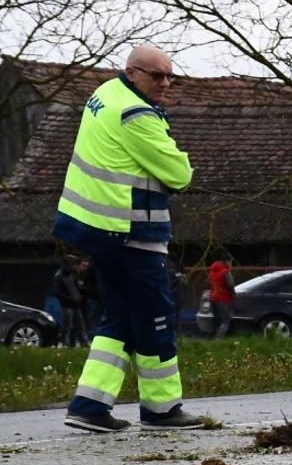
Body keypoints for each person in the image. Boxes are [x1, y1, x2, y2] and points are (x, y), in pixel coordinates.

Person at [56, 43, 206, 432]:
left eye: (170, 75)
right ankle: (162, 409)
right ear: (133, 71)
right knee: (156, 319)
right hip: (135, 232)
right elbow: (177, 173)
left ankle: (89, 405)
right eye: (157, 75)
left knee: (117, 317)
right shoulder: (136, 113)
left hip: (103, 231)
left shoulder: (105, 94)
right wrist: (181, 162)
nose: (166, 83)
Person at [51, 256, 89, 347]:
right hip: (67, 305)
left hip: (75, 304)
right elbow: (57, 293)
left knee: (80, 325)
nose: (75, 267)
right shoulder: (59, 276)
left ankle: (83, 343)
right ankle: (63, 343)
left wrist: (79, 296)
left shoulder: (72, 274)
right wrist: (70, 299)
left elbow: (75, 288)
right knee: (67, 325)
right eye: (74, 265)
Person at [207, 252, 235, 338]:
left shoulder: (212, 271)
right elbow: (230, 285)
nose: (231, 264)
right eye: (230, 262)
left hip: (213, 297)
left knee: (216, 318)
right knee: (225, 320)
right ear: (226, 261)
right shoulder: (225, 272)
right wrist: (233, 294)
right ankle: (218, 338)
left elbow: (208, 283)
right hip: (223, 297)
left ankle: (211, 336)